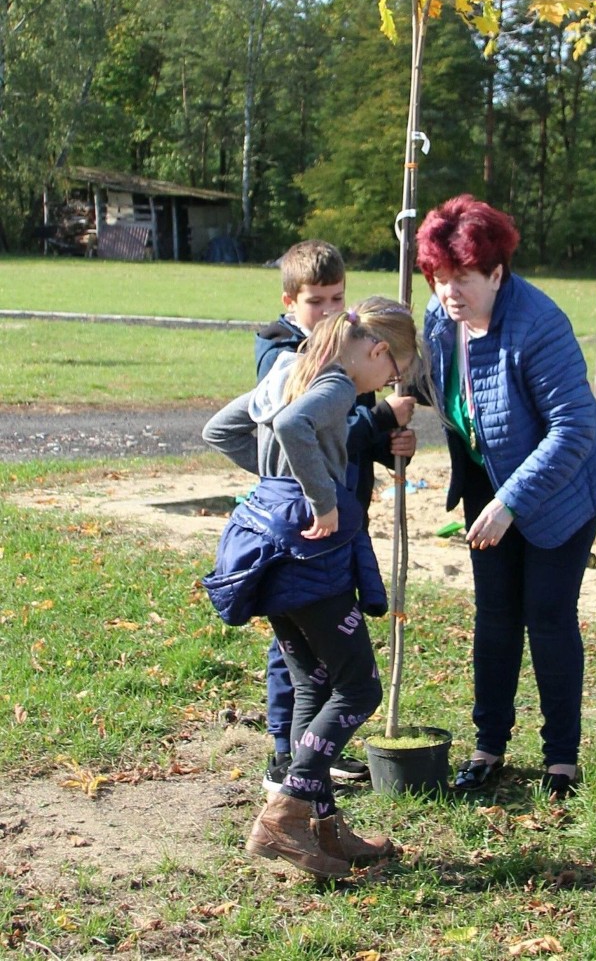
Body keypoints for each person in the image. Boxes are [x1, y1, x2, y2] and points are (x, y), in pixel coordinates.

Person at [202, 298, 422, 876]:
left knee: (312, 686)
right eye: (392, 372)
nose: (387, 383)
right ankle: (285, 815)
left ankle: (323, 826)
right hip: (308, 552)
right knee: (358, 688)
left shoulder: (286, 369)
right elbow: (297, 425)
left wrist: (278, 478)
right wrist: (319, 497)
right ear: (377, 351)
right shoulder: (338, 384)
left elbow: (220, 429)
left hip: (267, 542)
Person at [415, 195, 596, 797]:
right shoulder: (439, 318)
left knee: (547, 612)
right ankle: (488, 749)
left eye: (465, 279)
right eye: (440, 277)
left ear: (497, 273)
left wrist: (512, 503)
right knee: (496, 613)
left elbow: (573, 428)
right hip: (490, 475)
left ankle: (562, 759)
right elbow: (448, 390)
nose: (451, 292)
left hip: (565, 481)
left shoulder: (538, 323)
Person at [235, 240, 415, 789]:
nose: (331, 312)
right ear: (290, 301)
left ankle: (304, 789)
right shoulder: (294, 356)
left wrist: (387, 442)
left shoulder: (336, 358)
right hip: (311, 532)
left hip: (322, 524)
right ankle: (290, 770)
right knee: (346, 680)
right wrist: (311, 494)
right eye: (318, 302)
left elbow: (328, 436)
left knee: (317, 671)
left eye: (340, 299)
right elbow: (297, 429)